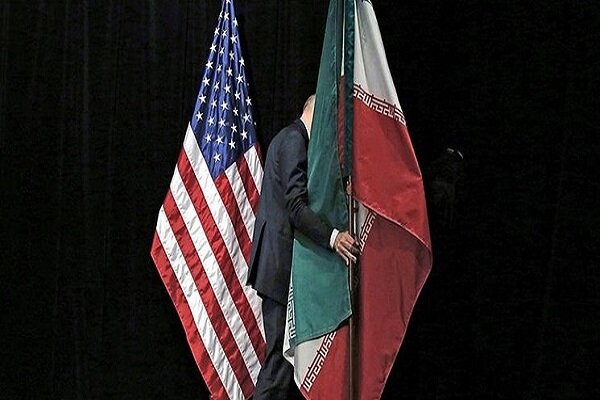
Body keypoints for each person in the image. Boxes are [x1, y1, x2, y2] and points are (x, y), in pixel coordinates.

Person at [247, 95, 358, 399]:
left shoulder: (289, 139)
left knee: (281, 368)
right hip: (279, 266)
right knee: (279, 367)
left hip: (276, 265)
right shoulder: (295, 140)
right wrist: (334, 237)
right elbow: (296, 207)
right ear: (317, 114)